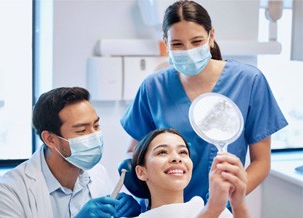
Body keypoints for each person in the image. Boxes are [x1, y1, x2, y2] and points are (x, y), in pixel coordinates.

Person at [120, 0, 288, 208]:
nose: (188, 50)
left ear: (211, 37)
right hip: (164, 209)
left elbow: (261, 163)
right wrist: (133, 188)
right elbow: (134, 153)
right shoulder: (153, 87)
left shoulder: (248, 82)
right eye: (177, 44)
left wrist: (225, 199)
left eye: (196, 41)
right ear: (166, 42)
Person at [0, 87, 141, 218]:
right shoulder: (9, 192)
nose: (94, 136)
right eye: (81, 130)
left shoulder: (98, 174)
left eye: (96, 126)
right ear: (50, 139)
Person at [127, 128, 250, 218]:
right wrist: (213, 209)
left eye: (183, 152)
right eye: (162, 152)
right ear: (141, 172)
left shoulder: (217, 212)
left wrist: (239, 205)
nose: (177, 158)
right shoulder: (213, 210)